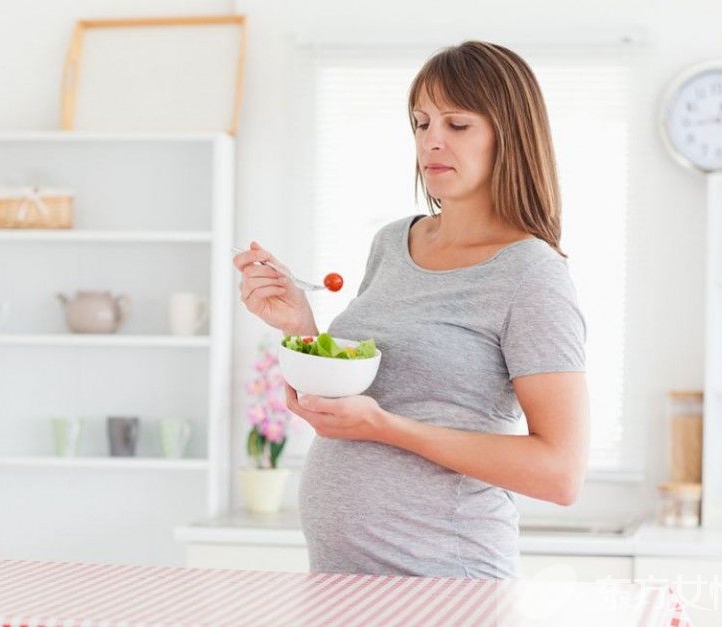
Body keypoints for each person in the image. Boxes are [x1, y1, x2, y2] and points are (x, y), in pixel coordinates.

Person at [233, 41, 589, 580]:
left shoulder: (531, 274)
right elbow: (360, 396)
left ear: (510, 135)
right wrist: (300, 323)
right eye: (421, 123)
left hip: (447, 583)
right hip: (341, 580)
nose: (431, 141)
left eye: (457, 124)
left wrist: (388, 428)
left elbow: (561, 474)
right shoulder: (392, 243)